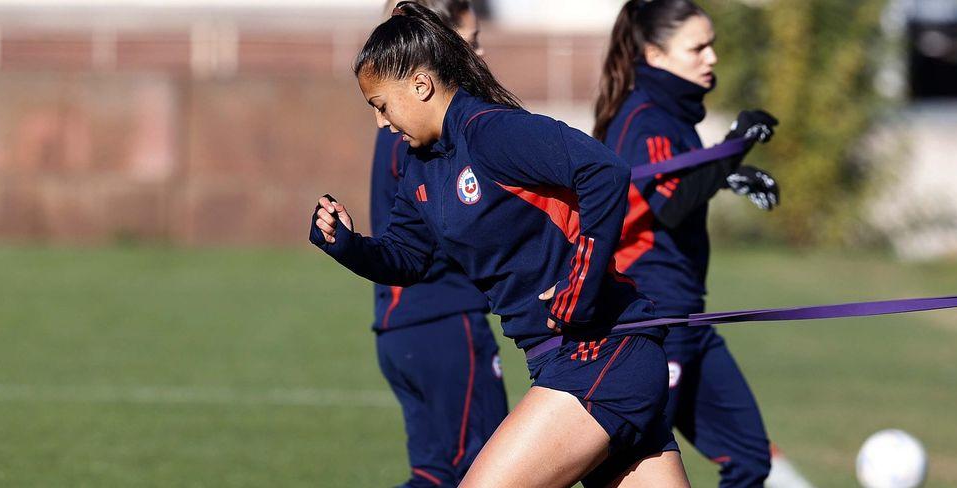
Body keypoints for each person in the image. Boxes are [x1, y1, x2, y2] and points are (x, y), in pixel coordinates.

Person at [311, 2, 689, 485]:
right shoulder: (422, 167)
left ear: (421, 85)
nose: (382, 124)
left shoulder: (491, 131)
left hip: (602, 354)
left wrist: (579, 288)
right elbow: (407, 257)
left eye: (381, 106)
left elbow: (605, 172)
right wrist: (347, 246)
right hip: (565, 359)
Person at [592, 2, 807, 487]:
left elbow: (672, 188)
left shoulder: (671, 114)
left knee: (750, 457)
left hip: (689, 317)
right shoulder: (644, 116)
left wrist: (726, 173)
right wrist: (735, 147)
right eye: (698, 47)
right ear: (654, 53)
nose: (711, 57)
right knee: (625, 467)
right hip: (654, 319)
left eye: (713, 44)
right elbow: (668, 204)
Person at [365, 1, 505, 486]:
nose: (481, 52)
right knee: (490, 472)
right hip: (444, 324)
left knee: (434, 476)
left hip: (402, 330)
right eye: (472, 39)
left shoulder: (403, 128)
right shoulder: (422, 135)